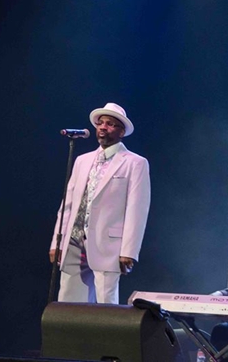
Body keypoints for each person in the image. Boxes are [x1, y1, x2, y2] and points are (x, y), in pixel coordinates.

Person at [49, 102, 151, 304]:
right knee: (69, 302)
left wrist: (129, 251)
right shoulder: (82, 160)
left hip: (108, 245)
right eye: (101, 123)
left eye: (110, 124)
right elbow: (67, 204)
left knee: (106, 304)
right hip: (74, 241)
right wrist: (56, 243)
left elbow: (137, 209)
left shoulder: (134, 163)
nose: (103, 127)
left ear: (121, 131)